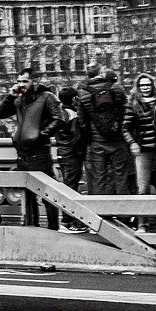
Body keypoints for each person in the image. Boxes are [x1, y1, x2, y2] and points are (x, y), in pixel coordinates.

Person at [0, 68, 64, 229]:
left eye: (25, 81)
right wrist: (11, 95)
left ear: (35, 81)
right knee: (28, 195)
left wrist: (41, 135)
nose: (21, 85)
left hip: (39, 154)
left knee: (47, 193)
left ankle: (53, 227)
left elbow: (59, 119)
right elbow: (2, 113)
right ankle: (31, 227)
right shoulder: (20, 100)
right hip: (22, 153)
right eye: (19, 81)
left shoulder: (47, 97)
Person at [77, 61, 131, 196]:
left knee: (98, 178)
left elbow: (82, 122)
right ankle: (124, 213)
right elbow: (128, 111)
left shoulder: (83, 93)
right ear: (101, 72)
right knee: (120, 176)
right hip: (118, 140)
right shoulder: (117, 88)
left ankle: (102, 213)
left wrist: (90, 139)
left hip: (97, 143)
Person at [123, 74, 156, 196]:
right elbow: (125, 127)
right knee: (142, 187)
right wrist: (132, 143)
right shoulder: (133, 104)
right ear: (138, 87)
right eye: (142, 85)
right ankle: (144, 215)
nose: (145, 88)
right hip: (143, 148)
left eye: (148, 85)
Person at [54, 86, 89, 232]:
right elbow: (77, 137)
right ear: (74, 99)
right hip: (71, 154)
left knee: (67, 184)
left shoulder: (60, 113)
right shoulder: (73, 115)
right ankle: (68, 221)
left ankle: (67, 220)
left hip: (62, 151)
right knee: (71, 186)